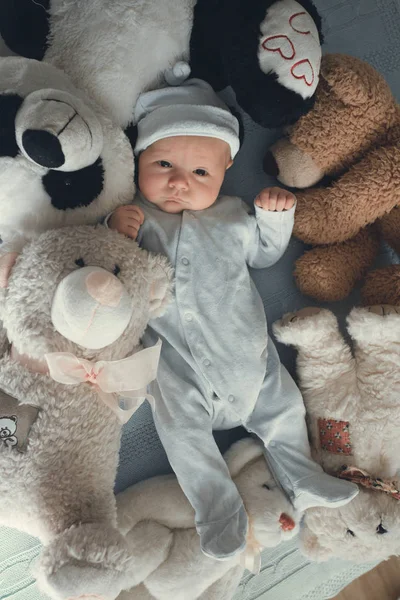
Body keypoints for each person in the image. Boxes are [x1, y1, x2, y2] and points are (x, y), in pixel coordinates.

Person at [107, 78, 359, 560]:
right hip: (179, 369)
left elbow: (264, 256)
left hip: (247, 360)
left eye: (200, 171)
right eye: (163, 165)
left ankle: (303, 478)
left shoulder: (232, 216)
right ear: (138, 159)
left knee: (285, 410)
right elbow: (113, 272)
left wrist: (273, 219)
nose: (180, 181)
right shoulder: (136, 216)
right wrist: (116, 233)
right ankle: (218, 510)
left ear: (226, 172)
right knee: (182, 434)